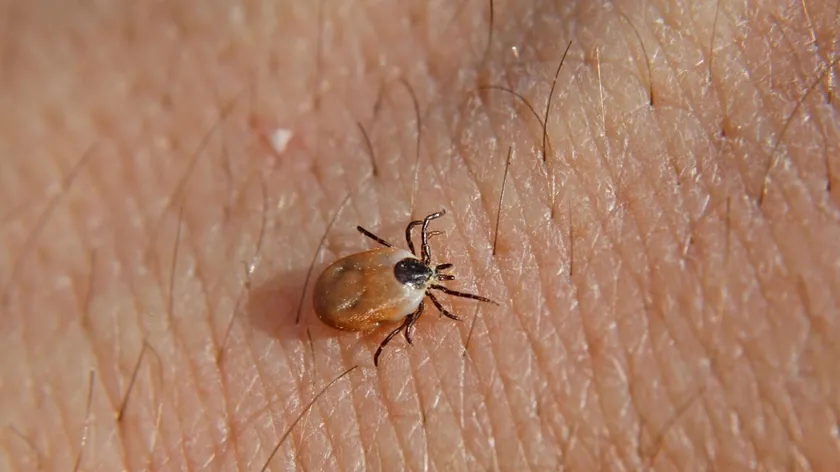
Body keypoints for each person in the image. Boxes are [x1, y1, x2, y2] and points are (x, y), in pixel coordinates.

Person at [2, 0, 837, 469]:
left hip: (347, 293)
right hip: (351, 298)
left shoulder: (397, 270)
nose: (430, 271)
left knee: (361, 302)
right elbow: (376, 306)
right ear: (411, 262)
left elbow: (366, 278)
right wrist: (401, 310)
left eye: (427, 270)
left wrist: (400, 272)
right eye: (428, 267)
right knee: (374, 312)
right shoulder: (407, 297)